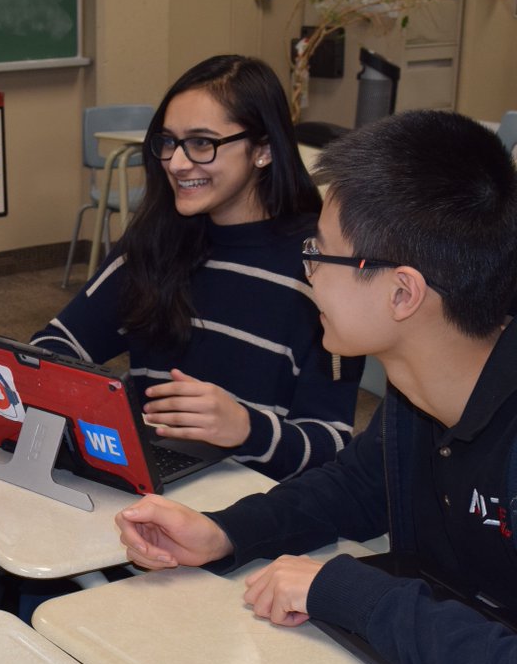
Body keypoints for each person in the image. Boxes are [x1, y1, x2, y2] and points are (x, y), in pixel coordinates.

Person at [116, 109, 517, 664]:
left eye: (319, 254)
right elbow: (355, 488)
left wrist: (347, 589)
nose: (306, 276)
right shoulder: (422, 386)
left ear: (402, 294)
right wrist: (225, 532)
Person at [31, 55, 362, 481]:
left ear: (262, 150)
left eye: (202, 143)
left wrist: (246, 428)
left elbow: (332, 447)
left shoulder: (320, 266)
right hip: (147, 487)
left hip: (257, 513)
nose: (177, 163)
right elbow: (57, 346)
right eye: (169, 142)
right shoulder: (157, 242)